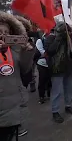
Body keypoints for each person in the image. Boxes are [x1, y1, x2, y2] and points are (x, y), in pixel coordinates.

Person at [0, 12, 34, 141]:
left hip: (12, 107)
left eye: (6, 32)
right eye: (0, 31)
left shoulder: (14, 49)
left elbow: (25, 70)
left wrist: (27, 52)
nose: (3, 34)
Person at [44, 22, 72, 123]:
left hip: (68, 68)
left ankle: (68, 105)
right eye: (64, 29)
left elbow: (71, 52)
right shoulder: (50, 38)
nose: (66, 31)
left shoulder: (68, 38)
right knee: (57, 91)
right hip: (57, 68)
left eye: (67, 29)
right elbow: (50, 51)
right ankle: (55, 111)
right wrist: (58, 38)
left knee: (69, 89)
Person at [36, 32, 52, 104]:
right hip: (42, 63)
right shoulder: (40, 40)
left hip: (50, 63)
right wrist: (48, 53)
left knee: (49, 80)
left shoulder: (53, 39)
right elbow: (41, 51)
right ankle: (41, 96)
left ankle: (49, 93)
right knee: (42, 80)